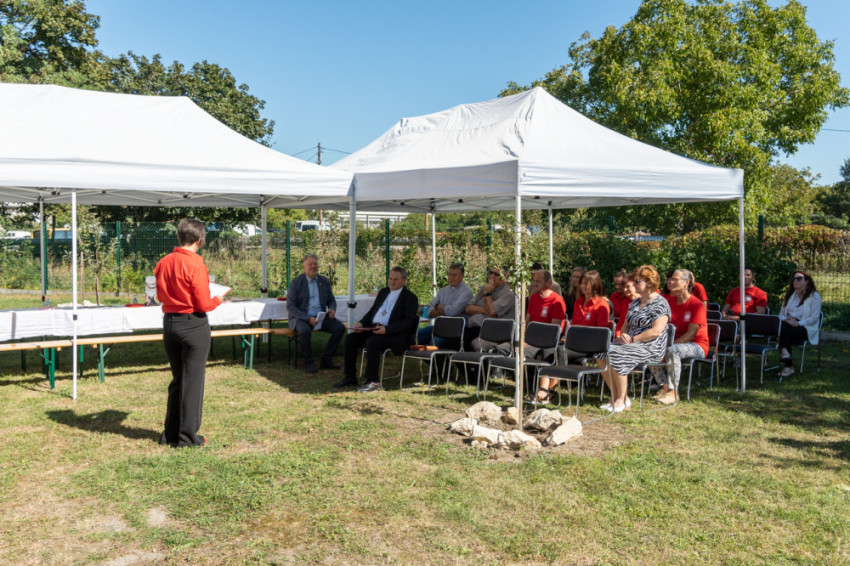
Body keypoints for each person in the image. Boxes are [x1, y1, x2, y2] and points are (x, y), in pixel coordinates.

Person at [154, 218, 225, 448]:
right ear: (199, 240)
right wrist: (218, 299)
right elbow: (203, 304)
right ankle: (187, 437)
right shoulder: (196, 264)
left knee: (178, 380)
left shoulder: (163, 262)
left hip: (170, 323)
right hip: (193, 324)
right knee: (193, 382)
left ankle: (170, 433)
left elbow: (159, 295)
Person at [597, 265, 670, 413]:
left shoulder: (661, 303)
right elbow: (626, 325)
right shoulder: (635, 302)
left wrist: (632, 339)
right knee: (600, 353)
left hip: (651, 346)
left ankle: (621, 400)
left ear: (649, 282)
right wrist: (623, 335)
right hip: (632, 343)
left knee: (617, 354)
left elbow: (656, 331)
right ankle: (616, 395)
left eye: (637, 281)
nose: (633, 284)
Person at [334, 266, 419, 392]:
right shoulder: (384, 292)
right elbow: (372, 311)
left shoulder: (410, 298)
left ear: (404, 281)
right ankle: (350, 377)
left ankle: (373, 381)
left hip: (394, 335)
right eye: (390, 278)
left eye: (395, 279)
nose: (391, 282)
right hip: (374, 329)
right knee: (350, 339)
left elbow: (407, 322)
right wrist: (362, 324)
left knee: (372, 342)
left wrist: (387, 329)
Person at [532, 270, 609, 403]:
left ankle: (550, 391)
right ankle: (543, 388)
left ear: (595, 285)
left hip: (592, 346)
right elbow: (574, 326)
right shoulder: (578, 302)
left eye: (587, 283)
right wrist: (569, 336)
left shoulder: (602, 304)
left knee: (560, 351)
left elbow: (601, 332)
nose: (583, 286)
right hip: (575, 343)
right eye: (582, 283)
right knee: (550, 349)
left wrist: (576, 338)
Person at [652, 269, 708, 404]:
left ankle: (673, 392)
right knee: (651, 349)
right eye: (670, 279)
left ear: (686, 283)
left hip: (697, 345)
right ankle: (664, 387)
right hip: (673, 343)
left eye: (675, 279)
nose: (670, 282)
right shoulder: (668, 301)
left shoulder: (697, 305)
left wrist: (667, 348)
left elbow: (691, 334)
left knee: (672, 351)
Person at [286, 254, 346, 374]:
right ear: (304, 267)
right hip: (301, 317)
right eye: (310, 264)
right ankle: (309, 362)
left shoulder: (324, 281)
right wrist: (307, 318)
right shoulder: (296, 283)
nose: (313, 266)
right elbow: (290, 306)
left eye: (315, 264)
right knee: (304, 331)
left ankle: (326, 359)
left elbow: (331, 300)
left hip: (321, 317)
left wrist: (332, 309)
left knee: (340, 328)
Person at [777, 270, 822, 378]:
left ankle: (787, 362)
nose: (795, 281)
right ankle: (786, 355)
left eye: (799, 278)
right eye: (794, 278)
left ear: (807, 281)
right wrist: (787, 320)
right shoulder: (789, 295)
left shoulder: (814, 296)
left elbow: (814, 318)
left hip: (806, 327)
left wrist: (798, 323)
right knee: (783, 326)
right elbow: (781, 314)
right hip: (788, 323)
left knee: (785, 333)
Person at [417, 262, 473, 348]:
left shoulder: (466, 292)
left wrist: (439, 307)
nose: (451, 277)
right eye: (450, 274)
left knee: (434, 343)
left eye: (454, 275)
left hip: (455, 330)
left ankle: (437, 357)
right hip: (439, 326)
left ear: (462, 276)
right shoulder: (443, 291)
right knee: (416, 336)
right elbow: (428, 310)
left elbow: (452, 312)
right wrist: (447, 313)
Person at [464, 265, 516, 353]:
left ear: (505, 277)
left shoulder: (508, 294)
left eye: (496, 274)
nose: (492, 276)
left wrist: (488, 294)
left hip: (492, 332)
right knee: (454, 338)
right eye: (491, 273)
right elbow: (468, 309)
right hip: (473, 327)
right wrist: (485, 310)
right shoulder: (483, 289)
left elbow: (492, 312)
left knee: (465, 341)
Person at [524, 269, 567, 365]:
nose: (534, 284)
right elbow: (527, 321)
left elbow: (553, 330)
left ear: (548, 283)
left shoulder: (557, 301)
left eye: (538, 281)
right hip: (531, 339)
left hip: (546, 341)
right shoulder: (534, 297)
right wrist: (524, 338)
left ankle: (532, 374)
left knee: (523, 352)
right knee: (509, 348)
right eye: (534, 281)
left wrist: (530, 341)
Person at [610, 269, 632, 335]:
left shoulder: (629, 298)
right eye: (615, 284)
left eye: (619, 284)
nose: (617, 287)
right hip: (617, 327)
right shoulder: (613, 296)